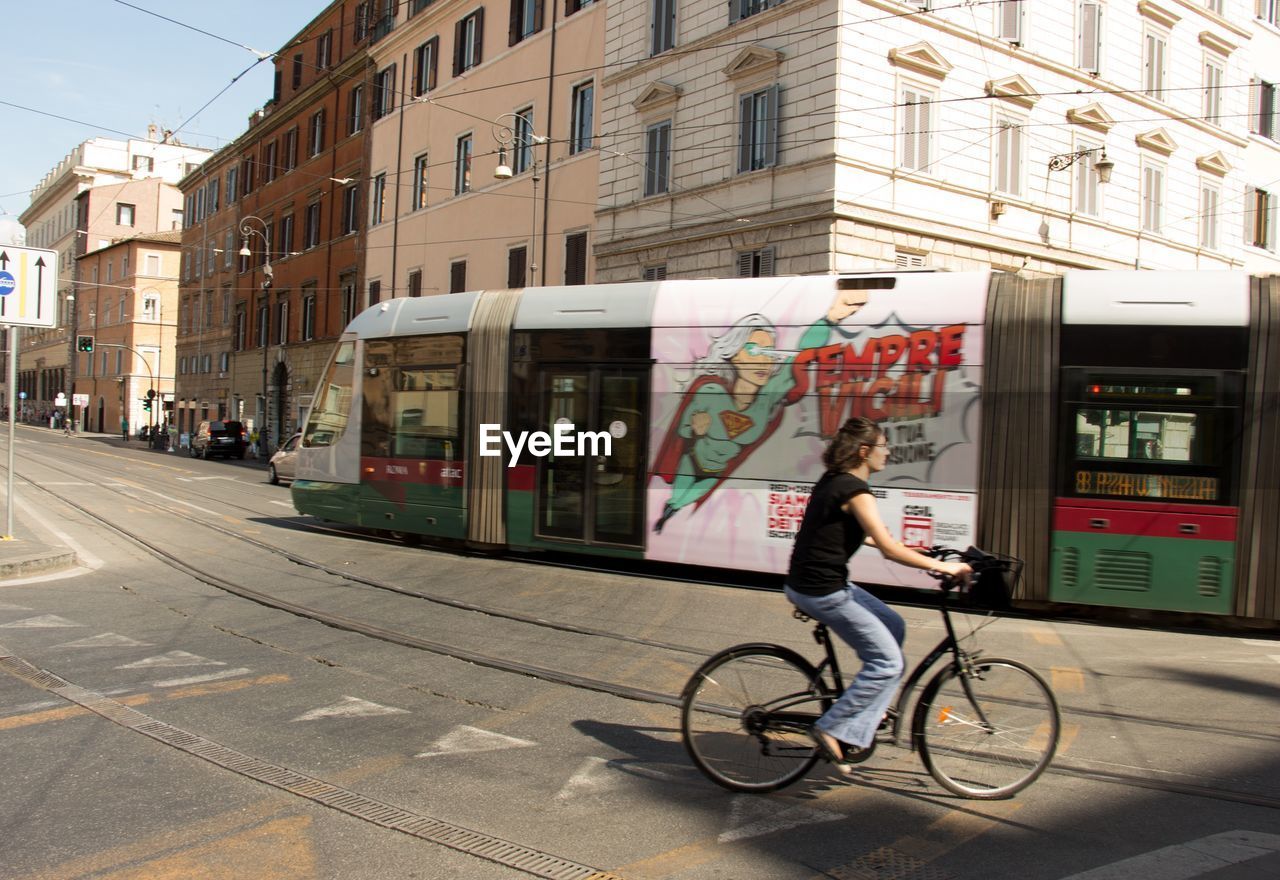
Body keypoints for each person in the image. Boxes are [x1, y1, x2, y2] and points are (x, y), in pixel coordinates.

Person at [784, 416, 971, 775]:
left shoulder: (836, 482)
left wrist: (915, 551)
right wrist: (945, 568)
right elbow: (887, 549)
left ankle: (867, 710)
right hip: (822, 591)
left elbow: (862, 535)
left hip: (817, 583)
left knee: (893, 626)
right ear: (865, 451)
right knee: (888, 663)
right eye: (884, 447)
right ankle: (830, 728)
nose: (889, 454)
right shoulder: (855, 490)